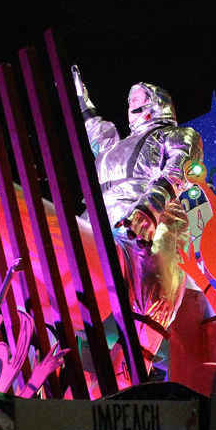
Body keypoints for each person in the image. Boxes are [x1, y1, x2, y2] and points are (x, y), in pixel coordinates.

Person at [72, 67, 202, 383]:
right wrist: (79, 96)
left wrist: (151, 207)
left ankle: (134, 366)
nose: (132, 101)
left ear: (156, 102)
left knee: (152, 287)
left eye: (139, 96)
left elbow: (178, 171)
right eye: (130, 98)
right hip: (100, 219)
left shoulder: (177, 135)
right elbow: (95, 128)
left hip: (149, 216)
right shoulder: (114, 146)